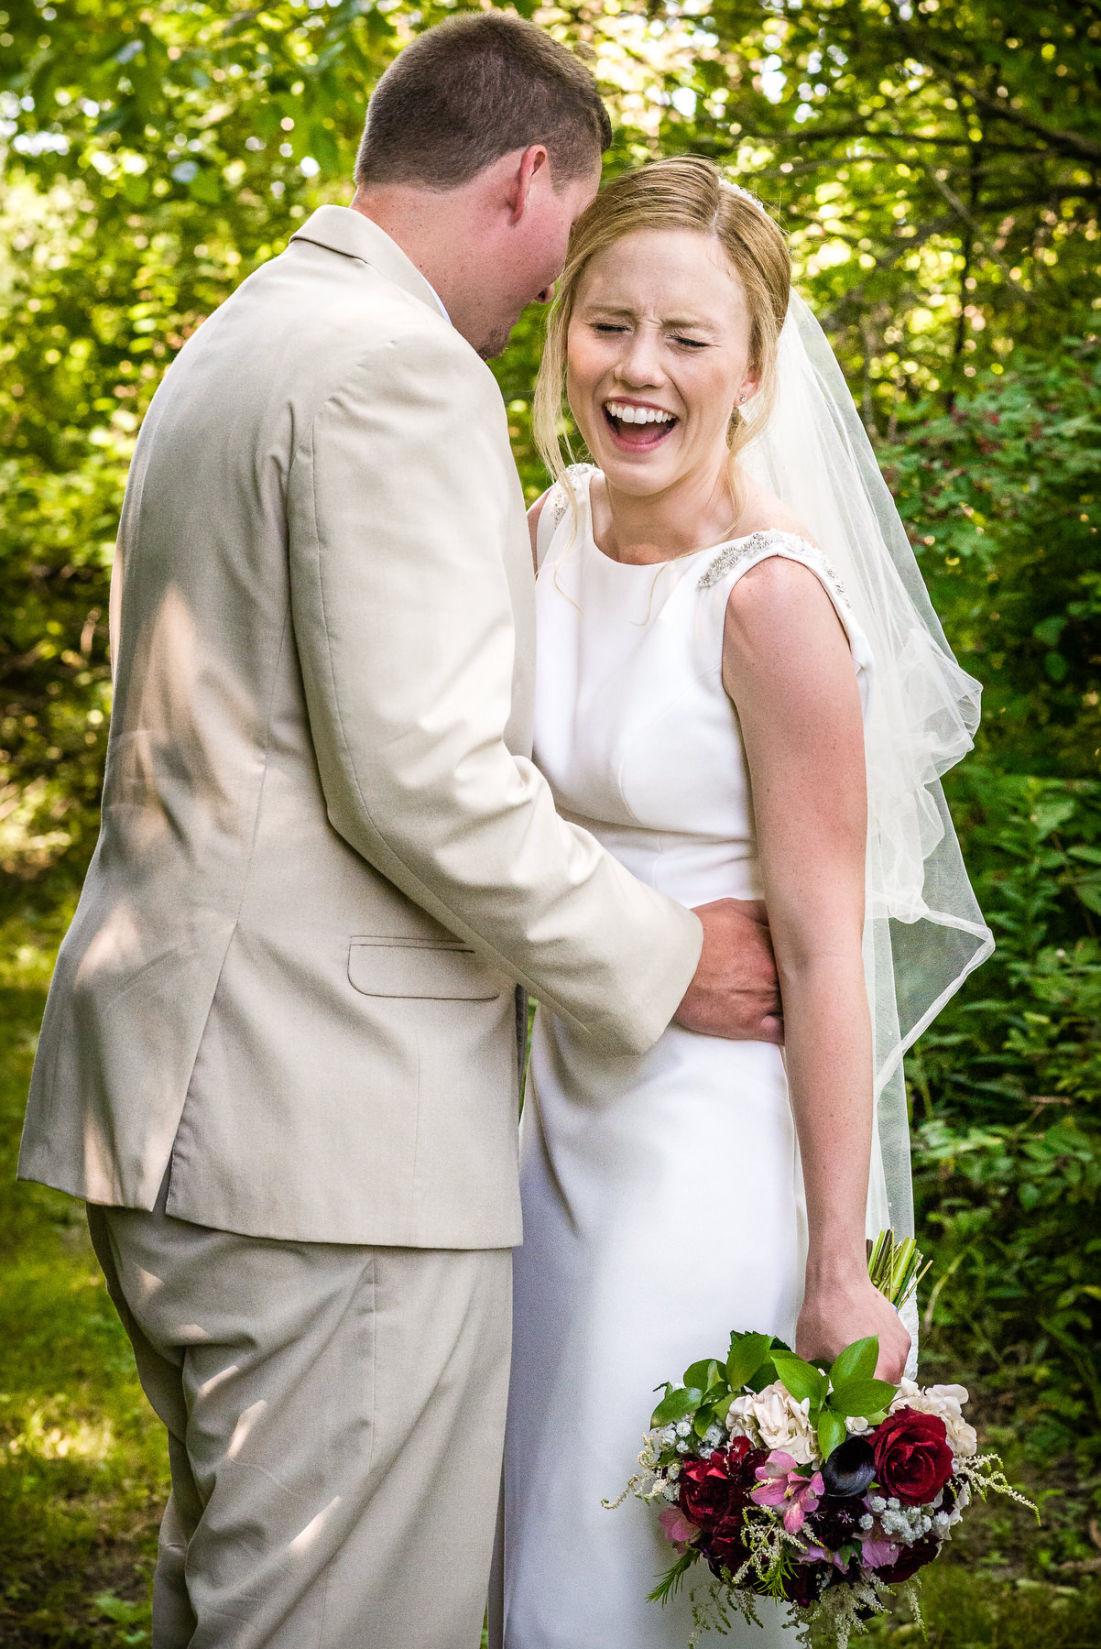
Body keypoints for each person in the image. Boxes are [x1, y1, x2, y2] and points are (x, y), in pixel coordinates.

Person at [16, 27, 783, 1649]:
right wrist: (661, 959)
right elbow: (420, 774)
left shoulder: (249, 330)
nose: (543, 311)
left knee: (243, 1586)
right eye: (568, 253)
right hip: (323, 1132)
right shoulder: (398, 365)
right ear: (525, 180)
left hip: (191, 1102)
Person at [494, 157, 992, 1647]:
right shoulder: (540, 530)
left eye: (687, 338)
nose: (637, 370)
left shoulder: (771, 600)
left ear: (756, 372)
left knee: (621, 1584)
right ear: (562, 331)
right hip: (547, 1124)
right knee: (528, 1549)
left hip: (705, 1148)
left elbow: (830, 953)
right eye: (608, 323)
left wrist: (834, 1266)